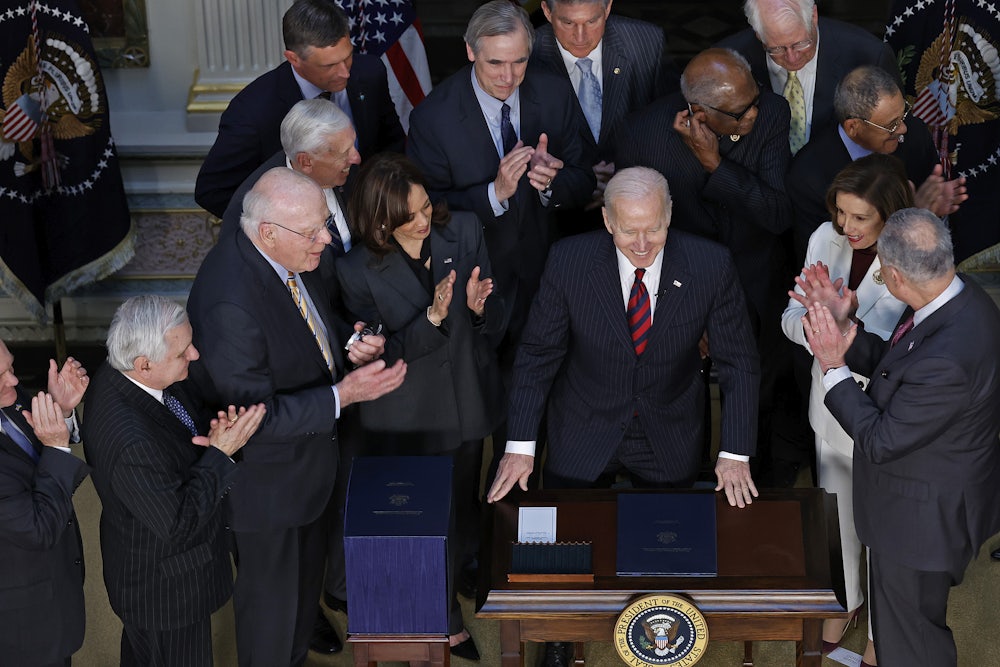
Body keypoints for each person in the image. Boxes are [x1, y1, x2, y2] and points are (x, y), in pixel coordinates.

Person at [187, 167, 407, 667]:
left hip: (305, 474)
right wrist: (342, 395)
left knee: (300, 604)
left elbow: (305, 316)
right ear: (268, 231)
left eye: (324, 225)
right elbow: (251, 417)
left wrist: (346, 343)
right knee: (271, 615)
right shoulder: (230, 303)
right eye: (313, 233)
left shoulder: (276, 256)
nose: (326, 240)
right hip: (268, 490)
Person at [802, 208, 1000, 667]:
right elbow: (901, 366)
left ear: (891, 275)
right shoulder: (959, 295)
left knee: (912, 642)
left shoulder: (949, 358)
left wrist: (834, 366)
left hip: (921, 522)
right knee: (901, 632)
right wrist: (849, 326)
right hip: (932, 497)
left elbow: (880, 441)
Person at [336, 153, 506, 660]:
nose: (423, 219)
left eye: (426, 205)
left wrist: (476, 312)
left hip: (466, 401)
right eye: (409, 215)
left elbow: (491, 324)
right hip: (404, 415)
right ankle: (442, 619)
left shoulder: (466, 230)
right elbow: (376, 354)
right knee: (419, 518)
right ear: (379, 220)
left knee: (463, 504)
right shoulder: (354, 270)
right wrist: (430, 318)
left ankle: (459, 585)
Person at [781, 154, 915, 667]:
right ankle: (845, 602)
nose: (847, 227)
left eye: (861, 218)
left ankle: (884, 634)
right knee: (837, 518)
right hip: (831, 406)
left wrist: (843, 322)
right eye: (842, 213)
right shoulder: (823, 238)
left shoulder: (913, 251)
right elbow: (790, 317)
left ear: (889, 214)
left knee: (887, 533)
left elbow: (904, 345)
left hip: (887, 413)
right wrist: (818, 332)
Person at [82, 296, 266, 667]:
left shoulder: (124, 374)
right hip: (165, 592)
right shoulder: (132, 442)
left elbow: (180, 418)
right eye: (183, 353)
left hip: (146, 564)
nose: (195, 355)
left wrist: (211, 434)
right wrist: (222, 454)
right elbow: (178, 523)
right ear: (144, 364)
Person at [406, 0, 594, 345]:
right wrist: (494, 194)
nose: (508, 77)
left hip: (549, 282)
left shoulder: (555, 94)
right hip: (479, 290)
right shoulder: (432, 119)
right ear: (470, 51)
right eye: (495, 62)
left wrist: (553, 183)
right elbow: (426, 209)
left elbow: (585, 181)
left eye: (519, 61)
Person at [195, 0, 404, 218]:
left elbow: (392, 147)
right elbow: (212, 191)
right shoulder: (253, 111)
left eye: (348, 57)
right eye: (329, 66)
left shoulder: (370, 74)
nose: (345, 73)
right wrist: (284, 226)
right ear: (294, 59)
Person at [787, 65, 967, 262]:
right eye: (891, 125)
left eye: (903, 114)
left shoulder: (915, 136)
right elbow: (822, 257)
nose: (903, 128)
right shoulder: (808, 176)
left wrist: (933, 214)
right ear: (853, 127)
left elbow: (935, 224)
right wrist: (913, 217)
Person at [529, 0, 677, 213]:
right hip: (558, 207)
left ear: (607, 8)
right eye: (568, 22)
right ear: (546, 11)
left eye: (591, 21)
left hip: (639, 199)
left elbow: (670, 122)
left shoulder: (647, 42)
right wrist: (580, 182)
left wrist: (623, 177)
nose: (581, 36)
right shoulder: (525, 53)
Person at [0, 344, 89, 667]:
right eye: (1, 375)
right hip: (18, 625)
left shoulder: (8, 393)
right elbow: (39, 529)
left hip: (50, 591)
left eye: (10, 367)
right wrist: (56, 447)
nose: (13, 381)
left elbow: (35, 452)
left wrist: (61, 412)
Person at [717, 0, 900, 152]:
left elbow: (895, 130)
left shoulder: (869, 54)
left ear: (813, 16)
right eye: (777, 49)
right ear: (758, 34)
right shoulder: (726, 61)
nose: (791, 57)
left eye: (800, 43)